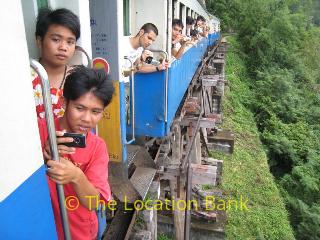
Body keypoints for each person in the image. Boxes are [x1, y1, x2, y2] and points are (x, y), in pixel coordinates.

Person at [38, 66, 114, 240]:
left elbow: (94, 203)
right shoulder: (40, 130)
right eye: (80, 108)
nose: (87, 119)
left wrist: (77, 176)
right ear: (65, 102)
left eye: (96, 112)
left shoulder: (97, 147)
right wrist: (42, 156)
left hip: (80, 233)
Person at [32, 8, 80, 119]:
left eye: (70, 42)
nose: (63, 47)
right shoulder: (25, 78)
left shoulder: (79, 78)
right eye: (56, 39)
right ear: (39, 41)